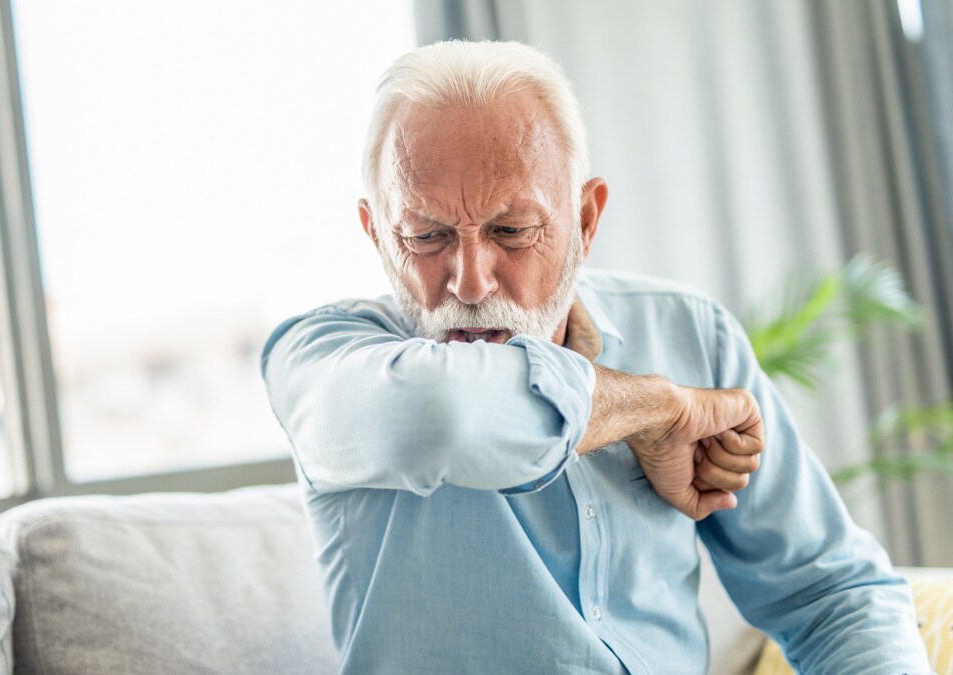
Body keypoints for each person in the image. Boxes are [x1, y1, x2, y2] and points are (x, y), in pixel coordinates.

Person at [261, 41, 929, 674]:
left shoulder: (690, 333)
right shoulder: (320, 362)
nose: (468, 281)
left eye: (512, 231)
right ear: (376, 232)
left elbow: (830, 593)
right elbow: (441, 415)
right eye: (426, 235)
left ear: (585, 218)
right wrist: (656, 409)